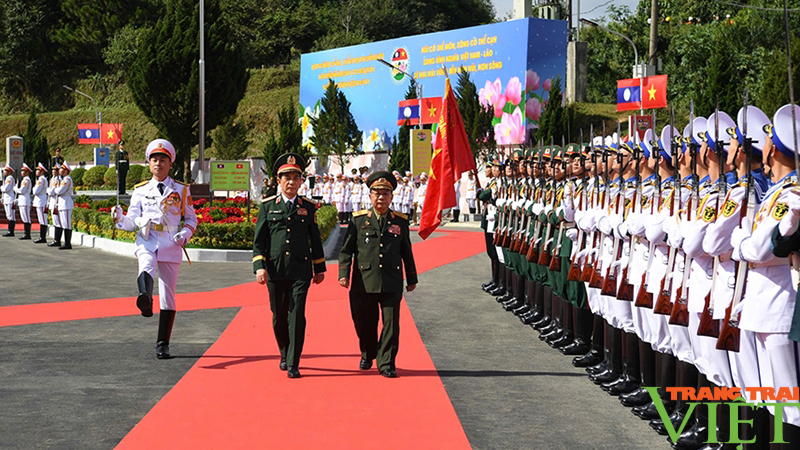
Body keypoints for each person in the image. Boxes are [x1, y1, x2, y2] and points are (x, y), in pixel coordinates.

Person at [112, 139, 198, 359]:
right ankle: (145, 299)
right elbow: (131, 221)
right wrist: (120, 218)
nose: (158, 164)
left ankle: (163, 343)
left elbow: (191, 219)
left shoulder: (181, 189)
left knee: (168, 294)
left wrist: (185, 234)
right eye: (154, 160)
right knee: (146, 266)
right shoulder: (140, 190)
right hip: (147, 238)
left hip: (171, 242)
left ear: (171, 164)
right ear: (149, 163)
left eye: (163, 160)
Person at [338, 171, 418, 378]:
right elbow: (347, 250)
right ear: (370, 195)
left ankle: (386, 363)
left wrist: (412, 277)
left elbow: (406, 251)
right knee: (363, 321)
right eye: (377, 193)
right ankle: (368, 352)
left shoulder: (400, 221)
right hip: (364, 281)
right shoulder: (358, 221)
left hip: (391, 280)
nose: (381, 197)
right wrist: (343, 273)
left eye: (385, 193)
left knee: (391, 323)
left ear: (392, 197)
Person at [253, 152, 326, 378]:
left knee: (297, 314)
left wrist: (319, 267)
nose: (291, 182)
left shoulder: (308, 207)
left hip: (300, 269)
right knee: (279, 315)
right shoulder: (267, 207)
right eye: (287, 177)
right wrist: (260, 267)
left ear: (301, 180)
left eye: (296, 177)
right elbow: (260, 241)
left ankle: (294, 362)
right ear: (278, 180)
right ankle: (284, 352)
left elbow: (314, 238)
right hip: (275, 270)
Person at [53, 162, 75, 250]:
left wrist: (55, 190)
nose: (60, 170)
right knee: (63, 223)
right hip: (62, 202)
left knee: (67, 224)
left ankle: (67, 243)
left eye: (62, 169)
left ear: (66, 171)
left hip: (66, 202)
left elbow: (60, 191)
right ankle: (65, 242)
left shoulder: (67, 180)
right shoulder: (63, 180)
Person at [14, 163, 33, 240]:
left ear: (27, 172)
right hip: (22, 199)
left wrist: (16, 189)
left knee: (26, 217)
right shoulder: (24, 180)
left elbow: (22, 190)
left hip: (25, 199)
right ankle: (26, 233)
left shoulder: (26, 180)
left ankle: (27, 234)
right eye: (21, 171)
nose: (22, 172)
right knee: (24, 217)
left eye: (23, 171)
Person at [32, 163, 49, 243]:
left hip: (41, 201)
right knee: (41, 220)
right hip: (39, 200)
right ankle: (42, 237)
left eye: (38, 170)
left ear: (42, 171)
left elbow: (35, 191)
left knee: (43, 220)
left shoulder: (41, 180)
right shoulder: (40, 179)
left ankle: (43, 237)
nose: (36, 171)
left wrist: (34, 188)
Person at [47, 164, 62, 246]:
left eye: (55, 170)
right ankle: (56, 239)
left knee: (57, 221)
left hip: (56, 202)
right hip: (53, 201)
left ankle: (57, 240)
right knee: (55, 221)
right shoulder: (53, 179)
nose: (53, 171)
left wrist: (48, 190)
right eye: (53, 170)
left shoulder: (58, 180)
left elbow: (52, 191)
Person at [2, 164, 15, 236]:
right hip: (6, 198)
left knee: (10, 215)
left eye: (6, 170)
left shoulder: (10, 178)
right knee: (8, 215)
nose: (4, 172)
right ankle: (10, 230)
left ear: (9, 172)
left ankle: (11, 231)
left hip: (10, 198)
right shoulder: (7, 178)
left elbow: (6, 189)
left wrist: (1, 188)